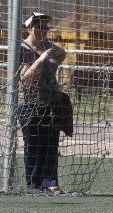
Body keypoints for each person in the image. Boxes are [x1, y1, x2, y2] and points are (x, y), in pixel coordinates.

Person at [17, 12, 67, 194]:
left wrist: (46, 48)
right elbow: (25, 79)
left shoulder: (48, 47)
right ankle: (33, 184)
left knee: (51, 144)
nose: (44, 30)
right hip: (29, 104)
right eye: (40, 26)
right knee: (34, 145)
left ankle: (50, 182)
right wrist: (41, 59)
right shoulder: (23, 48)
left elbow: (62, 54)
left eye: (46, 27)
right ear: (29, 28)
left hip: (51, 102)